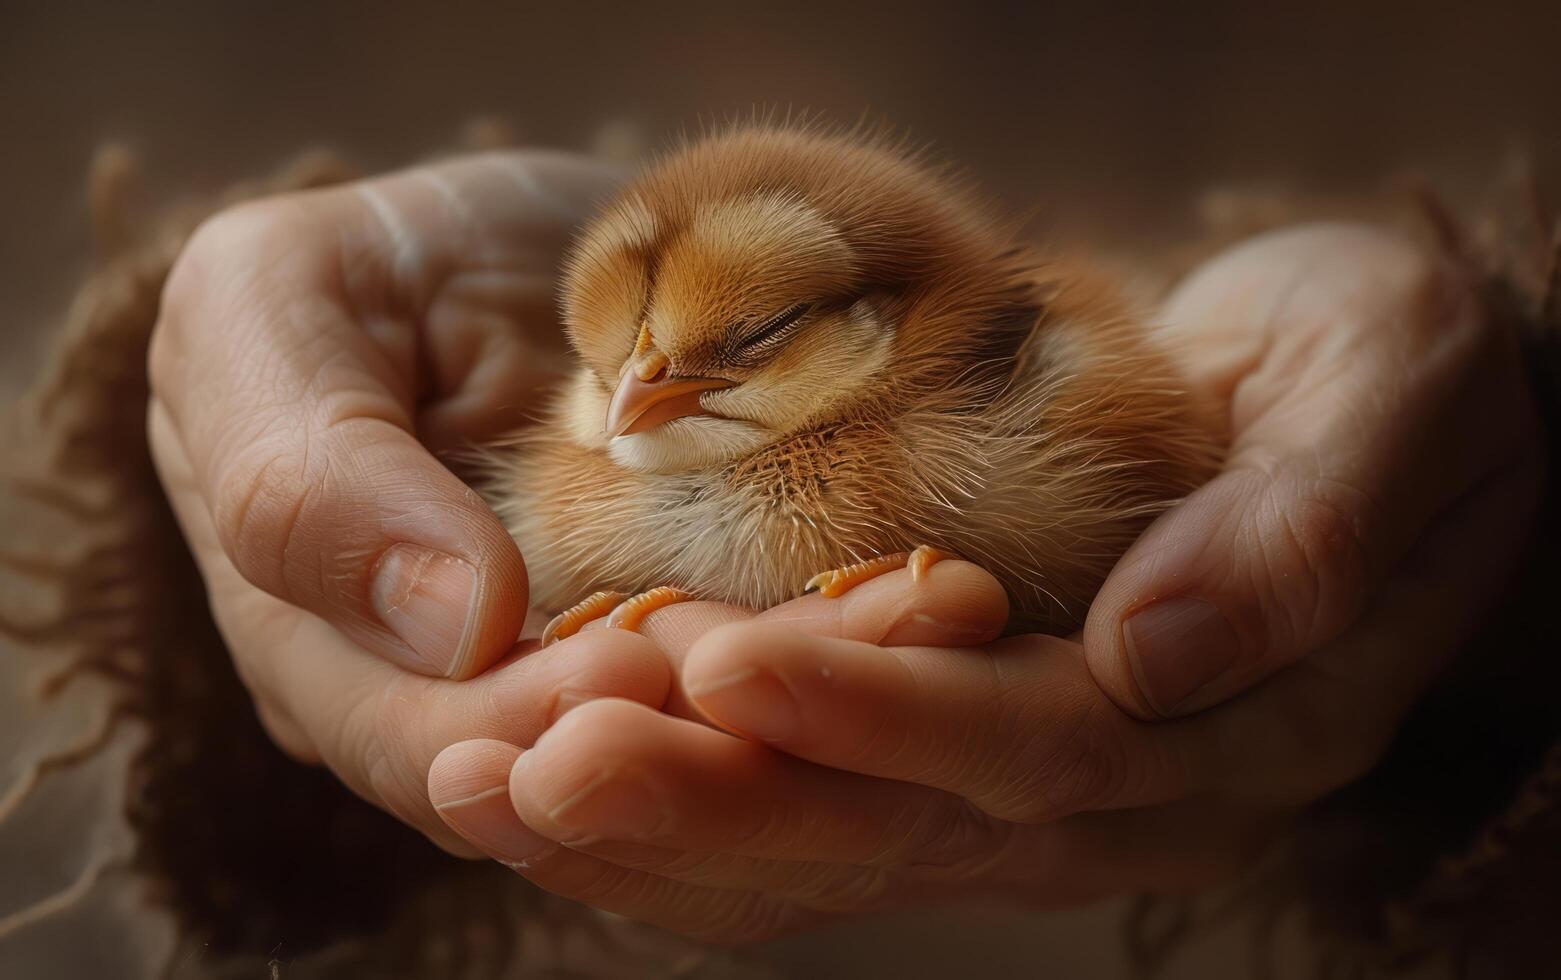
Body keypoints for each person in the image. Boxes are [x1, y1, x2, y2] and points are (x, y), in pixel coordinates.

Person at [147, 149, 1544, 941]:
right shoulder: (585, 447)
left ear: (878, 324)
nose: (633, 398)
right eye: (606, 359)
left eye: (740, 342)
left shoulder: (1004, 398)